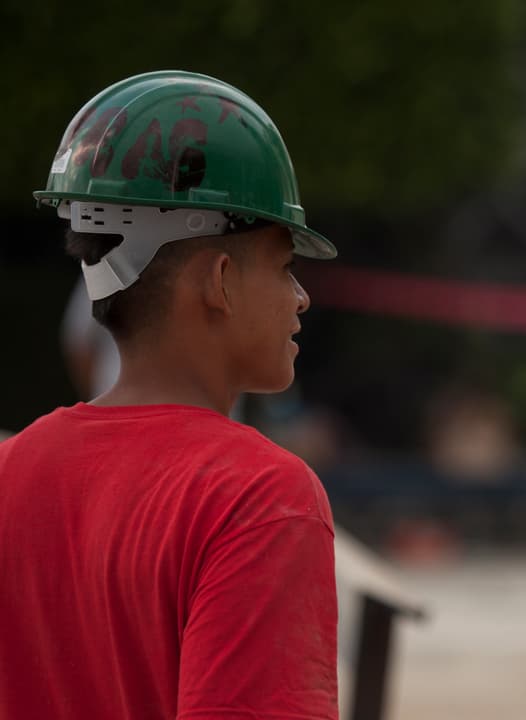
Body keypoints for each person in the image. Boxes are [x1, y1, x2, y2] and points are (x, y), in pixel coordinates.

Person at [0, 71, 341, 719]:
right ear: (220, 281)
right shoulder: (259, 496)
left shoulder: (9, 474)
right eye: (284, 265)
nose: (300, 297)